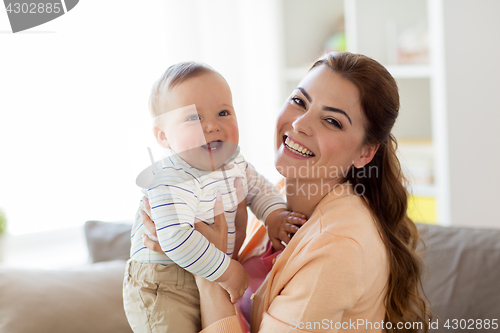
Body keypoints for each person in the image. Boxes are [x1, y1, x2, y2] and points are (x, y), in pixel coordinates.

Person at [141, 52, 431, 333]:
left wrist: (208, 272)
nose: (299, 123)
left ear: (365, 153)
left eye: (332, 121)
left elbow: (217, 271)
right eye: (298, 101)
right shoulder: (275, 199)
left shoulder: (338, 247)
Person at [123, 62, 307, 333]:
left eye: (223, 112)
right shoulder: (169, 177)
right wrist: (227, 271)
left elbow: (260, 189)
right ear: (163, 136)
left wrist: (275, 215)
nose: (212, 125)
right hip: (163, 284)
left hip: (207, 270)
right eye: (194, 118)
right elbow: (174, 238)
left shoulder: (233, 161)